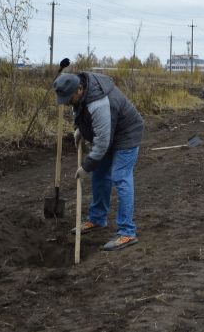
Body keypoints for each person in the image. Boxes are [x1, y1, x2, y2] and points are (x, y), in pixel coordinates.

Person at [53, 72, 143, 251]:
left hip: (126, 133)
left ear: (80, 88)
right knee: (100, 174)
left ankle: (126, 232)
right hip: (109, 132)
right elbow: (78, 109)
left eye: (68, 98)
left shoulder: (98, 103)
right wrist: (79, 127)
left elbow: (102, 143)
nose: (68, 102)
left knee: (120, 176)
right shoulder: (80, 92)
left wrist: (86, 167)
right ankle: (97, 218)